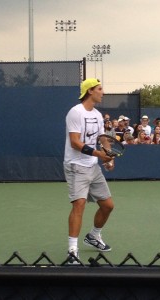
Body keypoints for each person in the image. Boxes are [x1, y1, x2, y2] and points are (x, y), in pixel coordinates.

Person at [64, 78, 114, 264]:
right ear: (90, 91)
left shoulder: (98, 115)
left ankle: (93, 236)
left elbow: (102, 138)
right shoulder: (75, 113)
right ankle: (72, 251)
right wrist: (100, 155)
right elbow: (75, 143)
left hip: (93, 166)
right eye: (100, 89)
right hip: (76, 166)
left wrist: (108, 156)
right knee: (79, 205)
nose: (103, 92)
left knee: (108, 206)